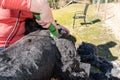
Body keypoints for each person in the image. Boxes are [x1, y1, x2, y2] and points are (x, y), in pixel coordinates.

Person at [0, 0, 69, 51]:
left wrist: (56, 26)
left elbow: (37, 20)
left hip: (21, 43)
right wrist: (35, 4)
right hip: (2, 46)